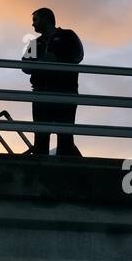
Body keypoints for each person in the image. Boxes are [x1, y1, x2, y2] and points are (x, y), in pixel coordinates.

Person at [22, 8, 84, 156]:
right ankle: (41, 170)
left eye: (35, 20)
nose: (33, 25)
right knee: (41, 138)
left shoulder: (68, 35)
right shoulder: (35, 43)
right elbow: (24, 66)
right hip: (40, 94)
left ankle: (68, 170)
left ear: (45, 19)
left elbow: (78, 56)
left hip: (65, 92)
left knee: (65, 138)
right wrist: (41, 61)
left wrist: (58, 60)